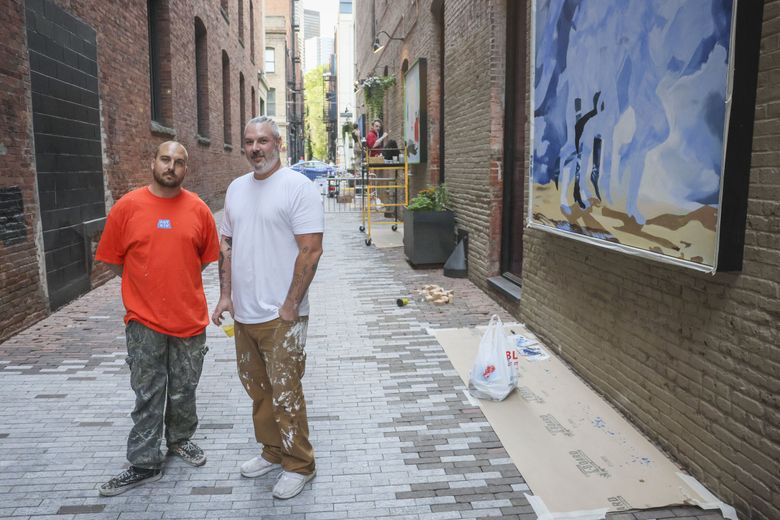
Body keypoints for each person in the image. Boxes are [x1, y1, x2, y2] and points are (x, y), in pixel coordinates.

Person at [95, 141, 220, 496]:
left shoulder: (198, 210)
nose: (171, 167)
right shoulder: (127, 208)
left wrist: (174, 278)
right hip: (144, 320)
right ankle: (144, 462)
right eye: (165, 159)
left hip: (189, 319)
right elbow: (114, 260)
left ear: (186, 168)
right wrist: (144, 285)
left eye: (179, 162)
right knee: (147, 393)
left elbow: (205, 259)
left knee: (184, 388)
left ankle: (180, 440)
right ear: (153, 162)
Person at [212, 116, 324, 500]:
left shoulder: (297, 188)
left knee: (286, 392)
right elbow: (226, 244)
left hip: (282, 315)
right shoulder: (236, 189)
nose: (255, 148)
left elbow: (311, 250)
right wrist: (226, 295)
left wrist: (291, 305)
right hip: (244, 313)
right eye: (248, 141)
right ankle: (273, 451)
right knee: (258, 390)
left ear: (278, 143)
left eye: (263, 140)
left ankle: (299, 464)